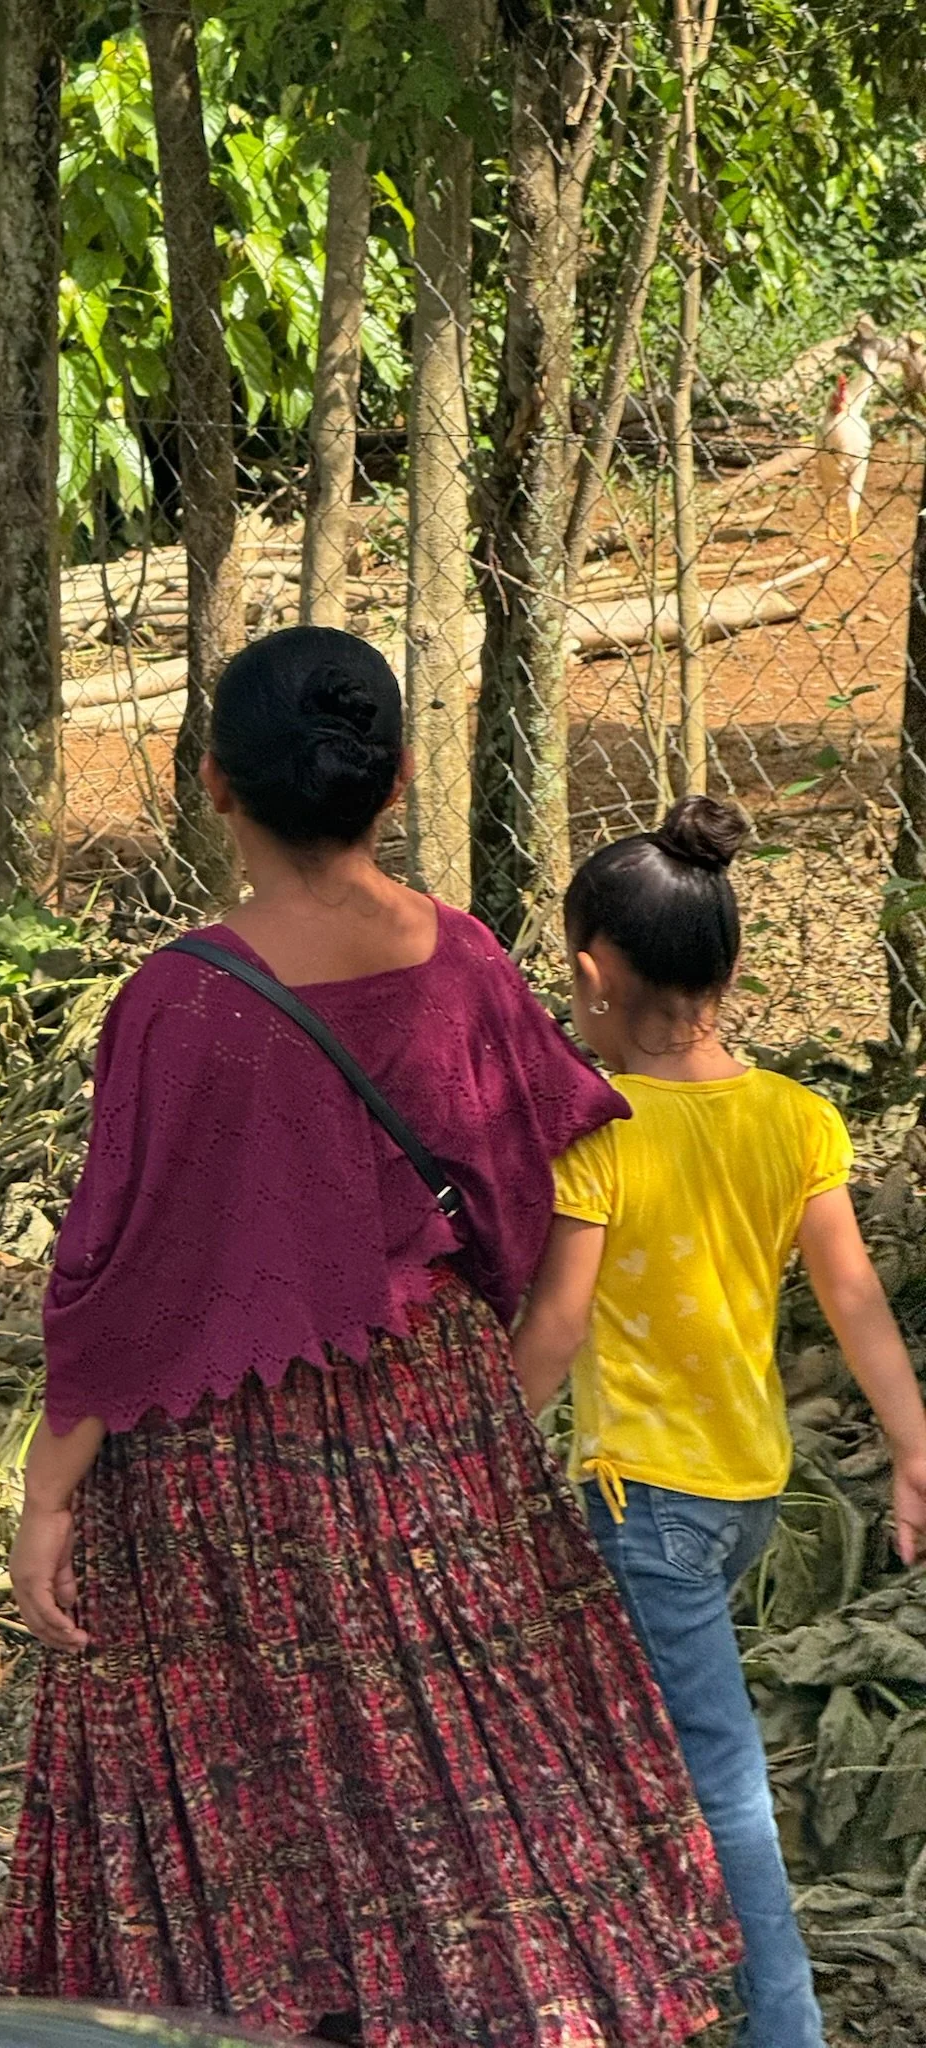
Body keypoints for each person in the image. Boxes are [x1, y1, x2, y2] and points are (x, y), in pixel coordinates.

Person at [0, 627, 739, 2047]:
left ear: (209, 784)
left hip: (225, 1472)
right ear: (393, 788)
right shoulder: (459, 958)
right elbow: (560, 1159)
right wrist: (497, 1376)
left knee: (276, 1790)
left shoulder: (175, 1004)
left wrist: (48, 1490)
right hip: (435, 1424)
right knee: (460, 1768)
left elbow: (124, 1279)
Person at [513, 794, 926, 2048]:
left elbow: (561, 1326)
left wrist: (470, 1443)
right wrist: (913, 1447)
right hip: (745, 1493)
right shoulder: (793, 1116)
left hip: (646, 1505)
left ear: (589, 972)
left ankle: (782, 2024)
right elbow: (853, 1298)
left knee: (724, 1780)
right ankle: (609, 1976)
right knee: (614, 1724)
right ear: (733, 967)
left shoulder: (601, 1127)